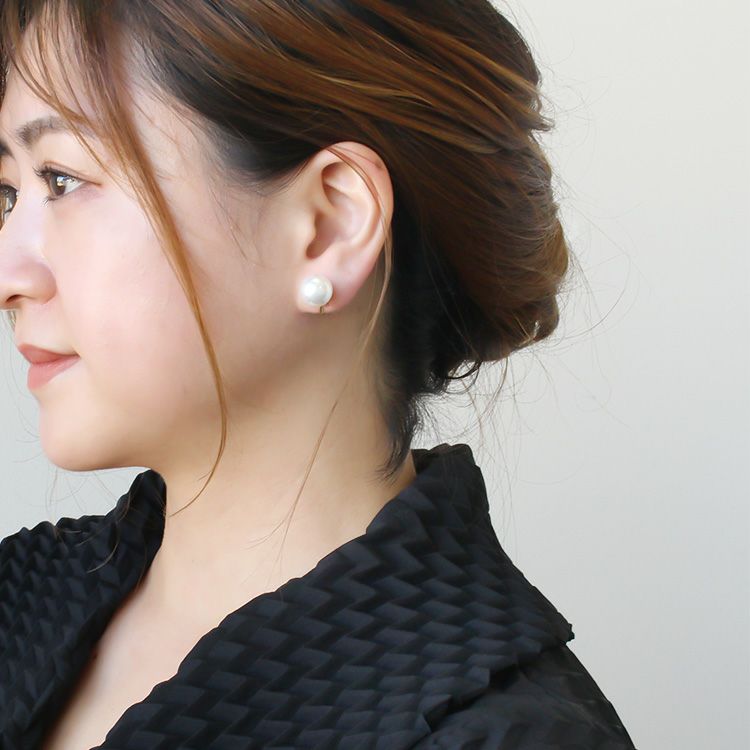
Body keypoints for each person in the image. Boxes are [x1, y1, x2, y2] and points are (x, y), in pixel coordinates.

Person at [0, 1, 637, 748]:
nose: (10, 274)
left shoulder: (505, 734)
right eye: (7, 194)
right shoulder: (19, 599)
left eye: (63, 179)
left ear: (331, 224)